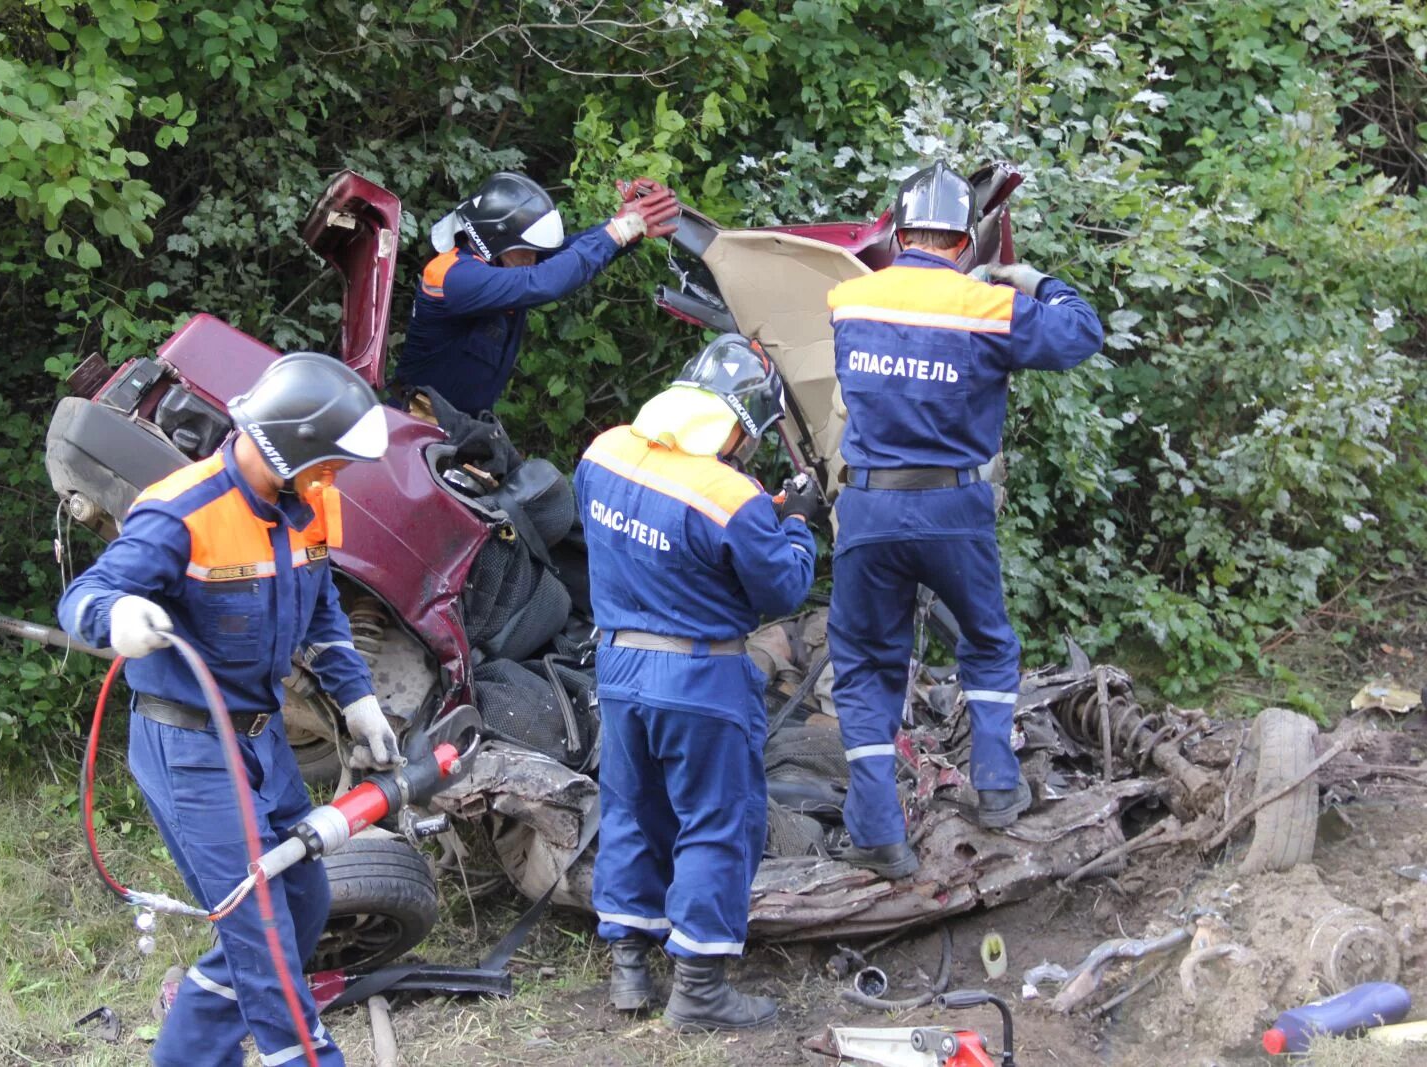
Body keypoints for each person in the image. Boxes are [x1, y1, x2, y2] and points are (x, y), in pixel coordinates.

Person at [58, 352, 403, 1067]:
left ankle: (183, 1059)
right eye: (332, 462)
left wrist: (358, 696)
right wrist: (115, 612)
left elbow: (322, 608)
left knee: (302, 901)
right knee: (263, 934)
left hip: (260, 739)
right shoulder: (183, 511)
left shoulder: (310, 503)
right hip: (189, 750)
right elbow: (82, 599)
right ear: (293, 448)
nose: (337, 479)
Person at [825, 160, 1105, 879]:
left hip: (867, 504)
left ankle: (879, 831)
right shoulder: (986, 308)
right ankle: (998, 787)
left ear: (899, 228)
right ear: (962, 240)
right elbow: (1082, 334)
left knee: (861, 665)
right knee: (986, 640)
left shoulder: (850, 300)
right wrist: (1030, 279)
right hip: (954, 505)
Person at [574, 334, 822, 1031]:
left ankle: (628, 966)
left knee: (631, 809)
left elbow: (666, 540)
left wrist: (758, 515)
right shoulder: (730, 493)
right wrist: (798, 522)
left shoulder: (605, 452)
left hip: (620, 665)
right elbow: (779, 585)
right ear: (738, 422)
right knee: (716, 821)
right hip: (700, 675)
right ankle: (701, 986)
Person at [394, 171, 680, 413]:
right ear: (498, 238)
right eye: (529, 250)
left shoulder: (502, 263)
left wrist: (629, 228)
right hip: (417, 419)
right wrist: (620, 229)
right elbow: (544, 280)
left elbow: (566, 255)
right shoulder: (452, 274)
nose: (535, 257)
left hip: (459, 428)